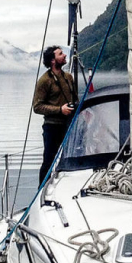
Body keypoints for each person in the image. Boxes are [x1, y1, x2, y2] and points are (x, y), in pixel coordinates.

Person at [32, 45, 77, 185]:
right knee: (49, 162)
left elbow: (75, 99)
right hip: (52, 128)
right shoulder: (44, 81)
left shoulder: (68, 77)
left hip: (69, 126)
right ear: (52, 60)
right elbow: (37, 107)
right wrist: (59, 110)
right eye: (60, 54)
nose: (64, 56)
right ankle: (41, 190)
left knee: (70, 160)